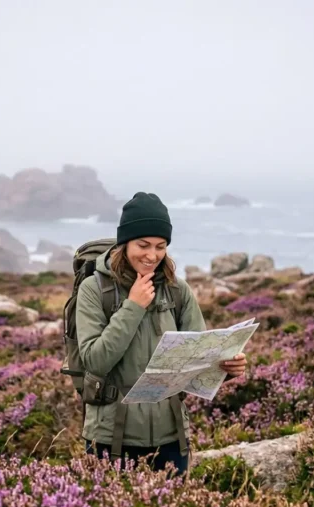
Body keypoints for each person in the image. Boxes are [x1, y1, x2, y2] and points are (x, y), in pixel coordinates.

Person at [74, 191, 247, 473]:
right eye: (143, 245)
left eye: (161, 246)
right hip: (111, 437)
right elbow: (95, 361)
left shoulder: (178, 290)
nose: (152, 255)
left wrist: (226, 369)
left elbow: (198, 359)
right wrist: (133, 306)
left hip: (171, 436)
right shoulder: (94, 289)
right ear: (125, 242)